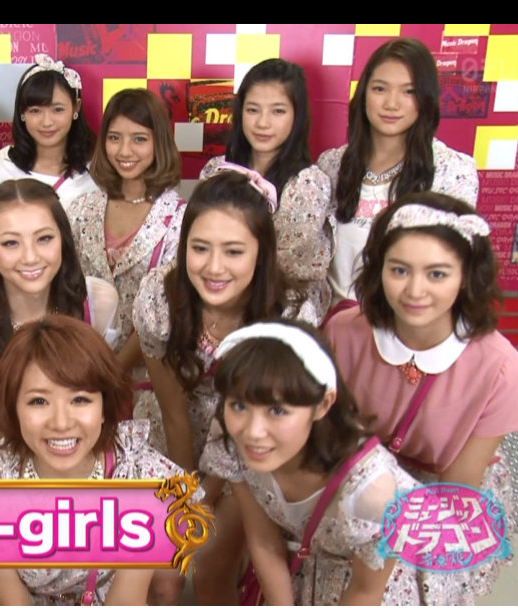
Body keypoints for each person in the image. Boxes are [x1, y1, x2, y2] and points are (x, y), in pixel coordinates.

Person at [133, 170, 318, 604]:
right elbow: (173, 413)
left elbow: (266, 425)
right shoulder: (160, 298)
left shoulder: (289, 316)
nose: (214, 268)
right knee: (164, 573)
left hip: (251, 449)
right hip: (173, 441)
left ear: (261, 252)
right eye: (200, 248)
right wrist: (187, 497)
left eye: (234, 251)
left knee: (212, 561)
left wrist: (211, 493)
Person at [0, 315, 195, 605]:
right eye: (39, 401)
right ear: (13, 410)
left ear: (104, 407)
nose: (61, 423)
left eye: (80, 400)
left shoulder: (141, 480)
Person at [326, 193, 517, 604]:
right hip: (355, 479)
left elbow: (457, 490)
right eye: (399, 270)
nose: (415, 291)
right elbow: (329, 438)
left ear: (466, 276)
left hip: (443, 504)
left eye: (437, 274)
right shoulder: (343, 332)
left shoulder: (500, 367)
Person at [201, 320, 421, 604]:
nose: (253, 432)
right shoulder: (234, 438)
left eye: (277, 410)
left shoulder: (372, 492)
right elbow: (264, 541)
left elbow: (366, 591)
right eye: (239, 405)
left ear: (323, 404)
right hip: (306, 568)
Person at [0, 179, 118, 451]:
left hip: (78, 451)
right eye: (11, 243)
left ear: (63, 240)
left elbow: (100, 404)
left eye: (44, 239)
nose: (30, 257)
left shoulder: (98, 303)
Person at [317, 37, 479, 306]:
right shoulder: (331, 165)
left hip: (404, 322)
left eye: (409, 92)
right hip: (329, 322)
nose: (391, 103)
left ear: (426, 99)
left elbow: (451, 268)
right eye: (380, 89)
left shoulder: (452, 171)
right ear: (364, 93)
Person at [67, 88, 185, 440]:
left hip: (150, 381)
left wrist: (113, 370)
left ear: (159, 143)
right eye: (115, 137)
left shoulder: (180, 218)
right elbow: (65, 287)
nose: (125, 151)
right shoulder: (82, 208)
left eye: (139, 139)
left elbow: (168, 306)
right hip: (80, 373)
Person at [200, 59, 333, 320]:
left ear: (297, 116)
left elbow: (286, 266)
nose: (262, 123)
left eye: (278, 111)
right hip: (216, 287)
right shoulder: (215, 171)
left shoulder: (308, 184)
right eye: (253, 110)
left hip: (281, 304)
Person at [0, 54, 97, 208]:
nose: (47, 122)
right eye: (35, 111)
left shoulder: (97, 169)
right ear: (22, 112)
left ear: (76, 107)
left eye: (58, 110)